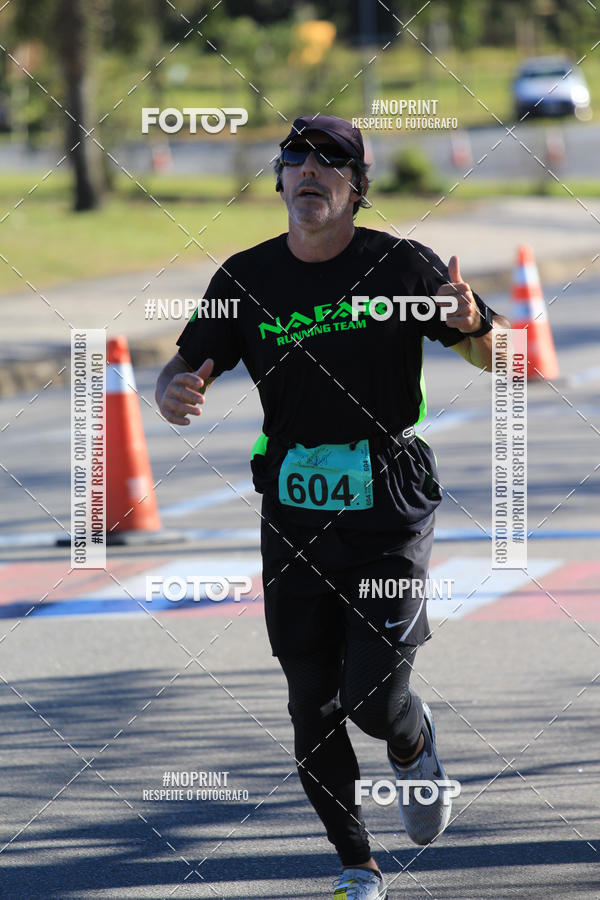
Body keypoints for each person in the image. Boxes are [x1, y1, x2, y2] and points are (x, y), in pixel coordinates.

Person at [156, 114, 509, 900]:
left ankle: (412, 743)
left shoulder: (401, 266)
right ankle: (357, 866)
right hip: (292, 509)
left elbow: (502, 356)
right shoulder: (245, 279)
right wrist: (172, 392)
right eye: (295, 159)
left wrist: (475, 322)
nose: (309, 171)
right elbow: (181, 366)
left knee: (373, 701)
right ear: (280, 179)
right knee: (310, 705)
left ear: (357, 187)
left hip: (387, 502)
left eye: (330, 161)